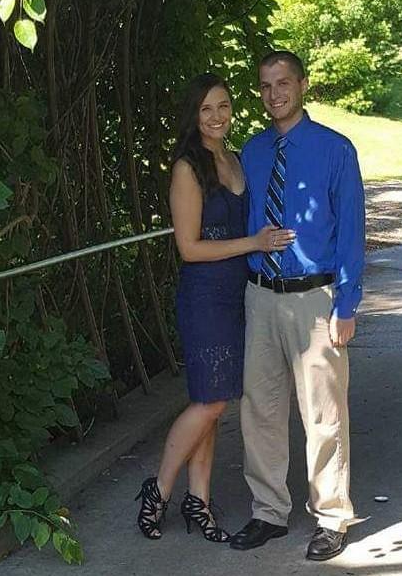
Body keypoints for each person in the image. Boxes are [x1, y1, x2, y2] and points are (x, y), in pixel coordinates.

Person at [135, 73, 295, 542]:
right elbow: (188, 247)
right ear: (193, 115)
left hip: (241, 293)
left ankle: (199, 503)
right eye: (206, 109)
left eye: (223, 106)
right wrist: (253, 243)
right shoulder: (188, 168)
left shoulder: (237, 159)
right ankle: (159, 489)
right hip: (205, 296)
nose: (217, 116)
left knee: (212, 399)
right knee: (212, 400)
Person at [228, 51, 365, 561]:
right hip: (261, 296)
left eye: (283, 83)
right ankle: (269, 512)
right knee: (260, 409)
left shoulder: (335, 149)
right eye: (265, 86)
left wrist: (346, 304)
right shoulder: (252, 151)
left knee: (323, 413)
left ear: (303, 84)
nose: (274, 94)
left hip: (314, 300)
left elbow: (351, 230)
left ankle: (331, 516)